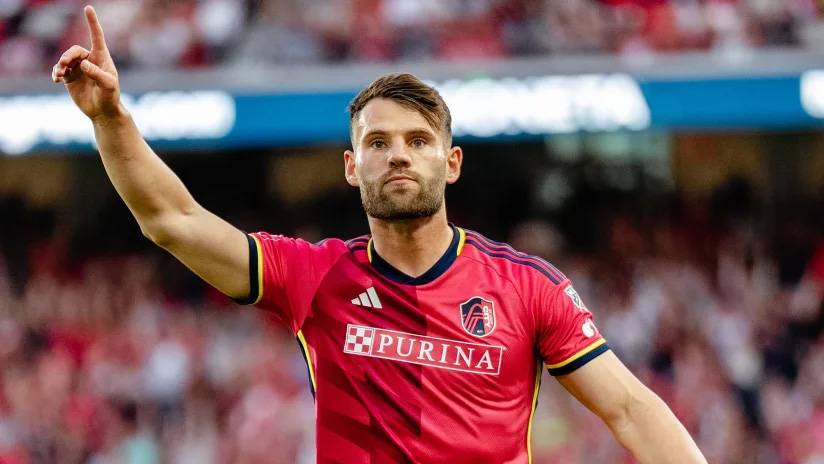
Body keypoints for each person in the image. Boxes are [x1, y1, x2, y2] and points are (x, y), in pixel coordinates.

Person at [52, 6, 707, 463]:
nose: (399, 155)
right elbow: (173, 220)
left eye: (419, 141)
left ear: (450, 163)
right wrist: (110, 118)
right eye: (379, 142)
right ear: (351, 165)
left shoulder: (530, 288)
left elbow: (630, 409)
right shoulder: (312, 276)